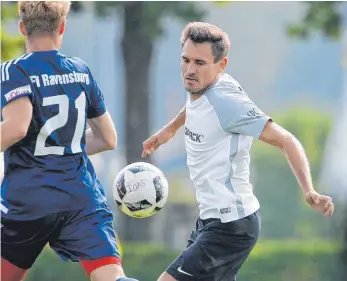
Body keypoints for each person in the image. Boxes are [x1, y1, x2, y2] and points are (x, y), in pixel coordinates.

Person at [142, 22, 335, 281]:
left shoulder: (228, 103)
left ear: (221, 66)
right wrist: (169, 130)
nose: (189, 70)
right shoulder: (200, 85)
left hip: (231, 225)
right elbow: (196, 104)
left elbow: (286, 140)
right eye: (185, 60)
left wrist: (309, 191)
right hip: (211, 219)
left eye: (199, 63)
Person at [0, 2, 137, 281]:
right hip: (80, 200)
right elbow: (108, 138)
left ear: (22, 27)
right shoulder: (80, 70)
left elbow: (16, 128)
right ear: (62, 27)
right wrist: (63, 145)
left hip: (28, 202)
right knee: (112, 278)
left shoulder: (14, 71)